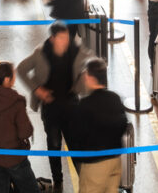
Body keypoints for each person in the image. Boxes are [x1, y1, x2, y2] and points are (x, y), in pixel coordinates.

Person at [17, 21, 93, 192]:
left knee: (75, 143)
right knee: (53, 143)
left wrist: (88, 75)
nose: (66, 41)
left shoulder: (76, 50)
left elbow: (92, 60)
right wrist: (37, 89)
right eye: (62, 38)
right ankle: (57, 179)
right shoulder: (40, 53)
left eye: (67, 37)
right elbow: (21, 69)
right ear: (52, 38)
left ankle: (85, 179)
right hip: (51, 107)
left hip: (71, 104)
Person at [0, 61, 40, 193]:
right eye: (13, 75)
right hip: (14, 156)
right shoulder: (16, 102)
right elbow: (24, 132)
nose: (15, 78)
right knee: (30, 188)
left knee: (0, 185)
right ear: (7, 79)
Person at [68, 59, 128, 193]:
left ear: (90, 78)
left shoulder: (85, 105)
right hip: (115, 162)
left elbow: (76, 136)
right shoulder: (115, 98)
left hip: (94, 166)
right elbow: (123, 126)